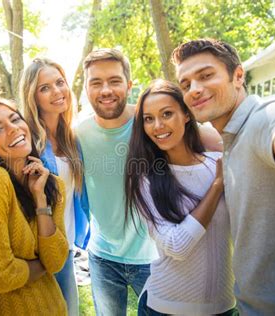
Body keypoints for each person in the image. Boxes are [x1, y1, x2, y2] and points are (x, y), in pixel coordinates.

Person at [172, 38, 275, 315]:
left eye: (206, 76)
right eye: (186, 84)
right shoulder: (230, 139)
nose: (195, 89)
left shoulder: (270, 115)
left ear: (237, 76)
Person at [124, 79, 236, 315]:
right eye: (148, 118)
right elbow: (177, 246)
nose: (157, 126)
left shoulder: (218, 162)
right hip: (166, 307)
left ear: (186, 114)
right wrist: (216, 187)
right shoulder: (145, 179)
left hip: (224, 306)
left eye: (166, 114)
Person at [75, 48, 158, 315]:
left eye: (114, 80)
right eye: (96, 82)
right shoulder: (78, 133)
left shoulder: (151, 124)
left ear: (129, 85)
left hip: (154, 257)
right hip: (102, 257)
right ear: (86, 89)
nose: (105, 90)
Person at [0, 98, 69, 315]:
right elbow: (1, 277)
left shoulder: (53, 185)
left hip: (55, 307)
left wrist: (39, 198)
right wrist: (43, 264)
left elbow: (58, 261)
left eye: (15, 119)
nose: (13, 129)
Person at [20, 57, 90, 316]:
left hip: (66, 247)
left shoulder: (73, 139)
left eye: (60, 83)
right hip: (40, 251)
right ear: (33, 97)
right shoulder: (27, 141)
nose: (57, 91)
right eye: (45, 87)